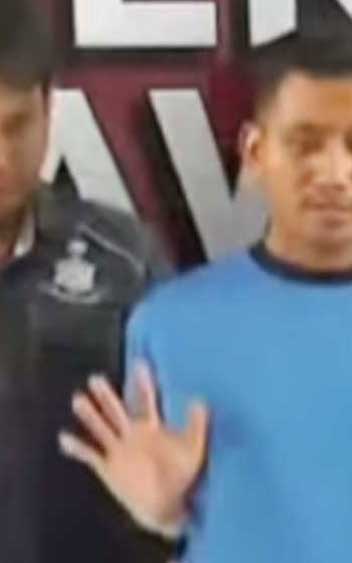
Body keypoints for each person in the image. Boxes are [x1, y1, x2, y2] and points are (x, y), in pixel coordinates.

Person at [59, 23, 352, 563]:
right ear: (254, 152)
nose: (334, 173)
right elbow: (149, 524)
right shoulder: (169, 326)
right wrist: (155, 520)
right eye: (305, 144)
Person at [0, 1, 173, 561]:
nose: (1, 158)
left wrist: (169, 512)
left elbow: (179, 460)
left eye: (15, 125)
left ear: (49, 107)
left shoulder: (125, 261)